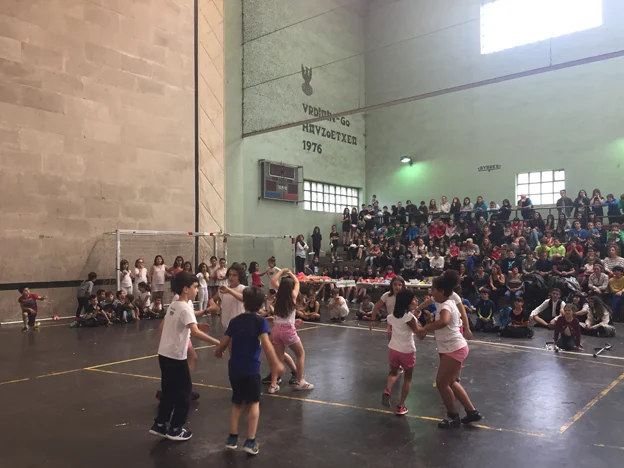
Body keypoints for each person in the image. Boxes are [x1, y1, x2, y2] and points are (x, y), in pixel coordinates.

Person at [148, 271, 221, 442]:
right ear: (186, 289)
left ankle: (160, 424)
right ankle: (175, 428)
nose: (197, 290)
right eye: (195, 287)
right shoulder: (185, 308)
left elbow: (178, 324)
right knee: (184, 393)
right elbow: (194, 332)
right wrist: (218, 342)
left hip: (164, 354)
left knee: (168, 391)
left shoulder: (174, 305)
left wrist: (195, 324)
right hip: (176, 357)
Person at [214, 287, 283, 456]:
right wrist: (276, 363)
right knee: (254, 403)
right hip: (251, 369)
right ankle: (250, 441)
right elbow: (266, 344)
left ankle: (232, 439)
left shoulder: (235, 321)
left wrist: (219, 351)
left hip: (234, 369)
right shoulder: (260, 322)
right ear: (261, 304)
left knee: (237, 403)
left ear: (243, 302)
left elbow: (224, 342)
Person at [422, 273, 481, 428]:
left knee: (442, 383)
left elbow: (444, 321)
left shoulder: (446, 305)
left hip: (454, 348)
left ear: (441, 291)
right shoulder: (444, 302)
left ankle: (453, 416)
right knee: (451, 382)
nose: (431, 292)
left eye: (433, 290)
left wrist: (426, 327)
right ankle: (472, 412)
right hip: (452, 347)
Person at [268, 269, 314, 393]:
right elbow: (297, 282)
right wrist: (290, 273)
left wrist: (281, 272)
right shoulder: (292, 295)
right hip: (288, 331)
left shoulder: (279, 295)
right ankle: (300, 381)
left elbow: (273, 281)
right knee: (300, 354)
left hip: (276, 330)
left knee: (278, 359)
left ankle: (273, 385)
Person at [381, 289, 426, 416]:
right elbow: (419, 334)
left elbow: (402, 324)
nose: (416, 300)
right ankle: (400, 406)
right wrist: (427, 326)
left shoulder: (391, 316)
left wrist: (415, 317)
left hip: (393, 349)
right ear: (408, 302)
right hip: (407, 350)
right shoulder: (409, 317)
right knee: (408, 378)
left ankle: (387, 389)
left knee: (394, 372)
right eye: (414, 299)